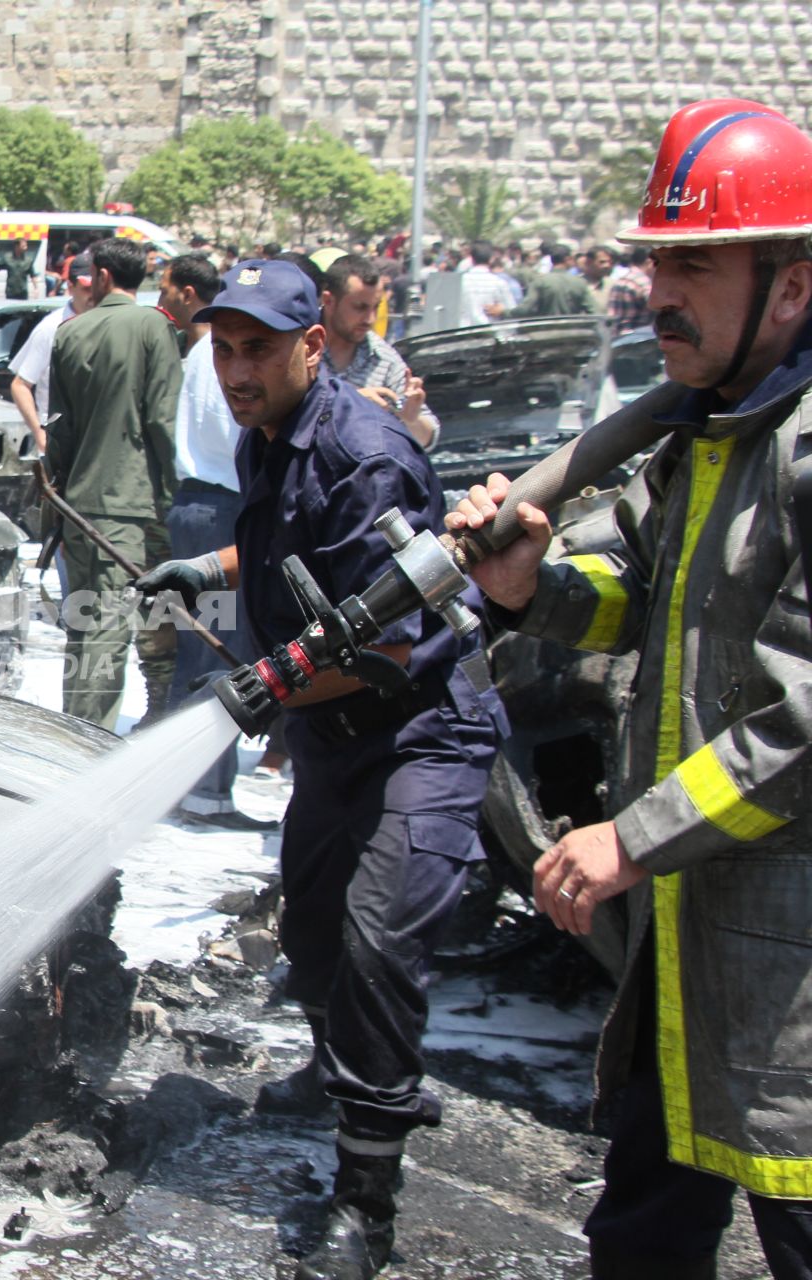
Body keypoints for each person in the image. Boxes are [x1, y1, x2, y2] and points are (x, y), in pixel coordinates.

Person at [449, 98, 812, 1280]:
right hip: (687, 935)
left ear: (793, 288)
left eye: (695, 263)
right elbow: (634, 610)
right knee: (643, 1238)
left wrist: (633, 837)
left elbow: (801, 727)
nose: (659, 291)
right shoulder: (703, 436)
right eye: (658, 257)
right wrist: (531, 585)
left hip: (788, 956)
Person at [137, 259, 502, 1280]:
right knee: (309, 926)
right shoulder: (272, 436)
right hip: (337, 741)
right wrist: (207, 568)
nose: (236, 368)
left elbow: (388, 642)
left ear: (312, 345)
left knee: (380, 942)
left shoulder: (368, 456)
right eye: (223, 347)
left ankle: (365, 1197)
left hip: (418, 733)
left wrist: (264, 689)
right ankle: (334, 1061)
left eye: (257, 348)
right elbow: (297, 553)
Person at [155, 252, 273, 831]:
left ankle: (181, 785)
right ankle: (206, 793)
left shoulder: (207, 349)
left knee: (197, 654)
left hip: (197, 507)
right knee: (224, 657)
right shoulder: (229, 358)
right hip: (223, 514)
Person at [46, 237, 181, 729]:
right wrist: (172, 495)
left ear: (101, 276)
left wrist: (57, 502)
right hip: (126, 503)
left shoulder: (70, 332)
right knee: (108, 627)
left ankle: (71, 731)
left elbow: (57, 429)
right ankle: (88, 741)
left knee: (83, 624)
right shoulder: (152, 326)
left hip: (77, 501)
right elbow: (163, 417)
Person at [318, 255, 440, 448]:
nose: (370, 319)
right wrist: (348, 403)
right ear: (329, 301)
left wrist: (411, 419)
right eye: (360, 307)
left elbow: (427, 438)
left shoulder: (384, 358)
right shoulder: (298, 347)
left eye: (376, 308)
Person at [8, 252, 93, 451]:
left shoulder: (105, 323)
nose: (93, 295)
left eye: (97, 288)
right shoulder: (52, 328)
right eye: (86, 289)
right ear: (71, 288)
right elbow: (20, 385)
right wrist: (39, 433)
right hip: (58, 437)